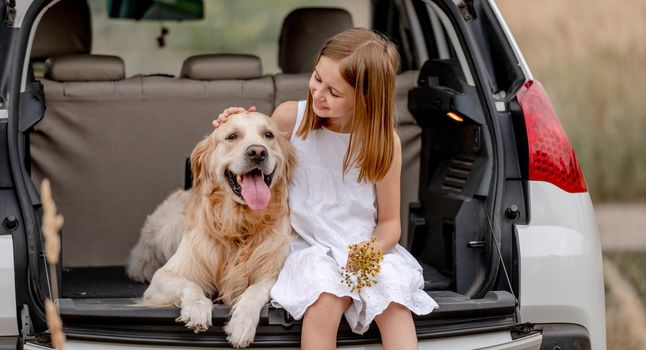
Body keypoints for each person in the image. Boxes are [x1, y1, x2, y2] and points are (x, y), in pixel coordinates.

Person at [214, 27, 438, 350]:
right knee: (325, 301)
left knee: (394, 304)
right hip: (308, 247)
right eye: (317, 78)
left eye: (334, 92)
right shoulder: (292, 118)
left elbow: (390, 224)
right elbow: (252, 143)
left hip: (363, 248)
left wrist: (366, 258)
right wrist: (235, 119)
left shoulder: (385, 143)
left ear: (364, 99)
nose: (318, 93)